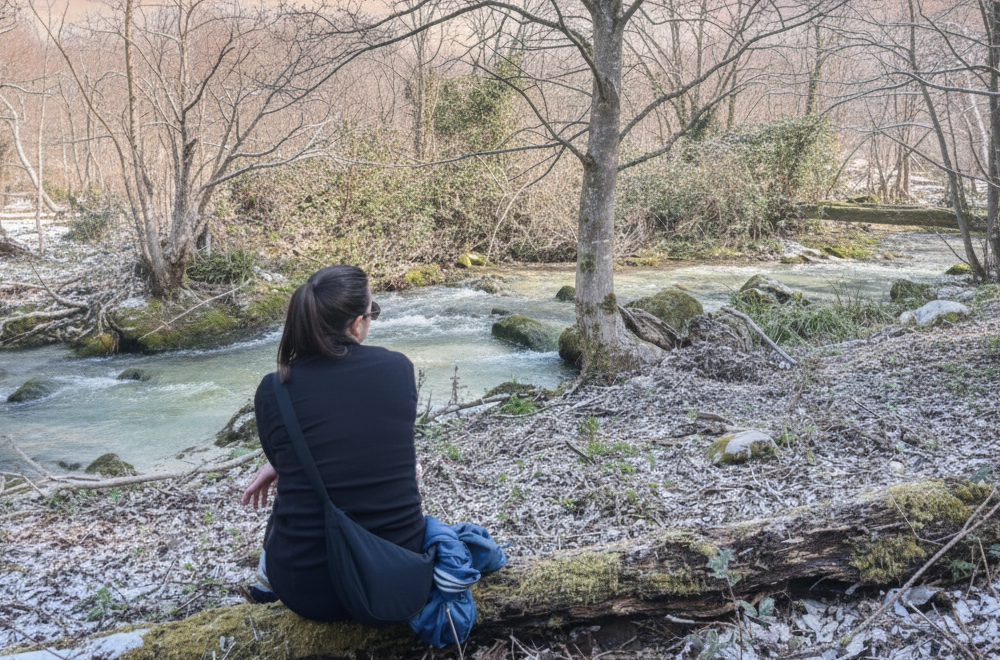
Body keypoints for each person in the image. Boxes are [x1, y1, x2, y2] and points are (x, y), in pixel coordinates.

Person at [240, 264, 426, 622]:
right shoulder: (398, 369)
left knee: (293, 500)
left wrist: (278, 464)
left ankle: (264, 589)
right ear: (357, 324)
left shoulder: (273, 389)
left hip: (307, 591)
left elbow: (301, 440)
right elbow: (363, 434)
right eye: (373, 312)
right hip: (396, 574)